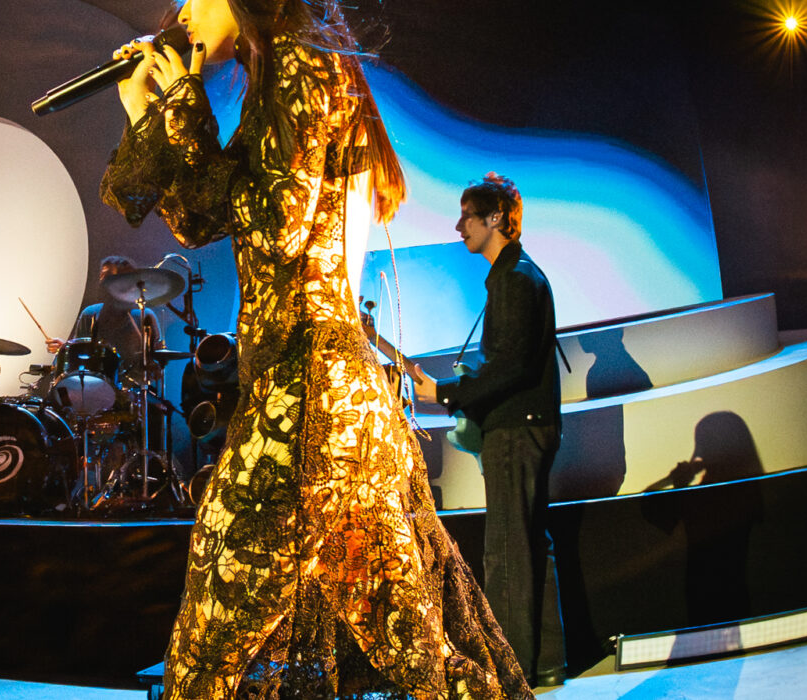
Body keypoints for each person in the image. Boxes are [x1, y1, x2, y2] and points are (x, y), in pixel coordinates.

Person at [100, 2, 532, 697]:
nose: (182, 13)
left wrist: (183, 104)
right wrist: (147, 109)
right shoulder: (286, 73)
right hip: (318, 394)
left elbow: (275, 227)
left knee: (215, 637)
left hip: (308, 393)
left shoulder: (303, 63)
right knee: (411, 644)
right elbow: (202, 217)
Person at [412, 174, 567, 688]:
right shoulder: (516, 275)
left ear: (495, 218)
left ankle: (513, 675)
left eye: (467, 216)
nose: (459, 227)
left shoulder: (515, 279)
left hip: (516, 431)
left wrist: (447, 393)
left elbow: (510, 366)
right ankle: (545, 663)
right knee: (529, 545)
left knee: (507, 552)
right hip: (527, 427)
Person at [45, 254, 161, 387]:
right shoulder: (90, 313)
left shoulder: (144, 316)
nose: (102, 281)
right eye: (102, 276)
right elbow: (79, 356)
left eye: (110, 277)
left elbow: (157, 365)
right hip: (93, 388)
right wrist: (66, 349)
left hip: (134, 390)